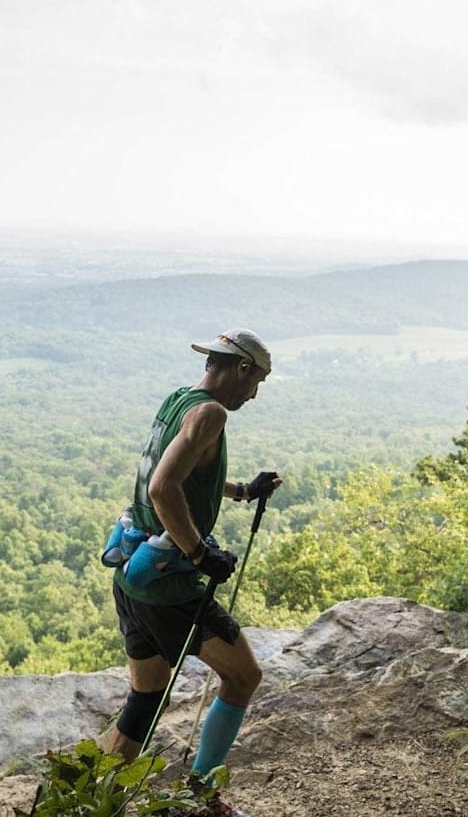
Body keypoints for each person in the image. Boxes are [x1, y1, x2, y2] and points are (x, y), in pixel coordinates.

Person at [105, 328, 281, 815]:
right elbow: (165, 490)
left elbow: (181, 473)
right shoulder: (212, 412)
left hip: (134, 572)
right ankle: (202, 794)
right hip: (171, 587)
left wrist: (243, 491)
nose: (255, 393)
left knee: (146, 700)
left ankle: (81, 796)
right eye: (257, 381)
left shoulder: (180, 401)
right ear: (241, 368)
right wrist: (201, 554)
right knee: (244, 676)